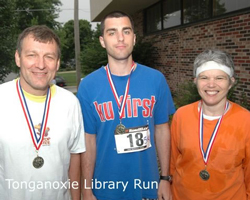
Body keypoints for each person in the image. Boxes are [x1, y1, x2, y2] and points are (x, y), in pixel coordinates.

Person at [77, 11, 175, 200]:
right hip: (105, 188)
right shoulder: (88, 86)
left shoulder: (156, 80)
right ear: (102, 40)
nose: (120, 38)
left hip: (147, 185)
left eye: (126, 31)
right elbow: (88, 141)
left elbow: (162, 130)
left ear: (134, 38)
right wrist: (87, 189)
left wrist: (165, 178)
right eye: (112, 32)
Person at [0, 25, 86, 200]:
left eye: (49, 57)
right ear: (18, 58)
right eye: (32, 55)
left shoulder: (70, 103)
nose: (40, 65)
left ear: (58, 63)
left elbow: (75, 157)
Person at [170, 49, 250, 199]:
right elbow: (173, 162)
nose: (211, 84)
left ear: (231, 82)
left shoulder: (245, 120)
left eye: (220, 78)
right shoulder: (181, 115)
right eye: (204, 77)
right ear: (195, 81)